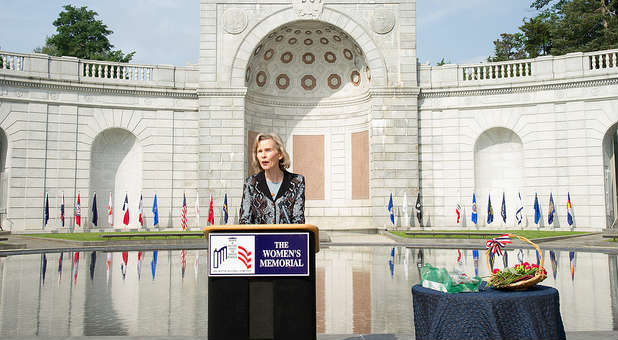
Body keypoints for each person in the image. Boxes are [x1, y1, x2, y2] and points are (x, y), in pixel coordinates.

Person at [239, 133, 305, 224]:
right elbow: (244, 221)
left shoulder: (297, 181)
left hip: (286, 238)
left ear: (280, 154)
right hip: (259, 238)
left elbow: (298, 221)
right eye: (260, 151)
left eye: (268, 150)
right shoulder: (251, 183)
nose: (263, 155)